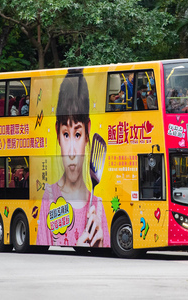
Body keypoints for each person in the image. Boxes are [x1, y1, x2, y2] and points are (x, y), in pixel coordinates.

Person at [37, 69, 109, 248]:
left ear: (87, 133)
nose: (71, 152)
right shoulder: (48, 198)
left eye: (77, 134)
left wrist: (99, 246)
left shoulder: (99, 208)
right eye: (65, 134)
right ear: (57, 133)